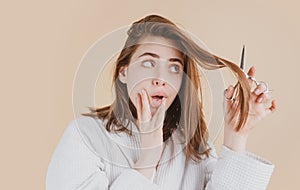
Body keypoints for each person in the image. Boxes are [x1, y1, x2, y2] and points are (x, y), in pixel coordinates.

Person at [46, 14, 276, 190]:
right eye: (148, 63)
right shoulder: (84, 137)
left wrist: (237, 134)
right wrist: (148, 157)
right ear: (123, 73)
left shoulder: (193, 145)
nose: (161, 79)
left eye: (174, 67)